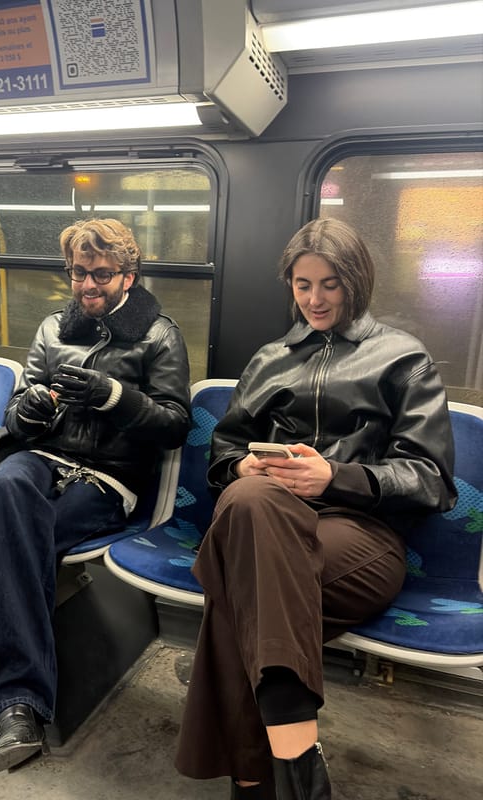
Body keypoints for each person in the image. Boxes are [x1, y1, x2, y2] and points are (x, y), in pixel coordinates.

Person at [0, 218, 191, 781]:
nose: (88, 285)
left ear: (128, 276)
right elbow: (18, 411)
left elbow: (174, 425)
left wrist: (114, 397)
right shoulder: (53, 328)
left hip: (106, 480)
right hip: (39, 461)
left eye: (101, 274)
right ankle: (14, 712)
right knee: (4, 487)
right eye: (78, 273)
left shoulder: (159, 335)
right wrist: (26, 412)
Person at [174, 218, 457, 800]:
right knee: (251, 501)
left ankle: (256, 783)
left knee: (239, 585)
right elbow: (225, 452)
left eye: (330, 284)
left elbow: (431, 480)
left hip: (359, 536)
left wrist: (336, 476)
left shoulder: (402, 359)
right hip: (264, 524)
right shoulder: (269, 359)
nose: (315, 299)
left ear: (357, 280)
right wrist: (242, 468)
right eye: (302, 285)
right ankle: (298, 764)